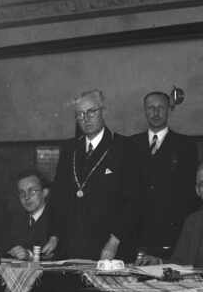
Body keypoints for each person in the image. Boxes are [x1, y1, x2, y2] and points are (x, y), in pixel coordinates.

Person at [52, 89, 142, 261]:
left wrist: (114, 242)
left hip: (109, 247)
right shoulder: (70, 149)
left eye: (91, 111)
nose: (86, 118)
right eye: (80, 114)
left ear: (103, 111)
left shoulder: (125, 147)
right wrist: (54, 235)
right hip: (71, 246)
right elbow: (58, 196)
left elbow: (133, 203)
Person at [129, 91, 199, 259]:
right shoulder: (130, 144)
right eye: (151, 108)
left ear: (169, 110)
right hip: (137, 232)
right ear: (145, 110)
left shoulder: (186, 145)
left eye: (161, 107)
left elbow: (190, 193)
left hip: (171, 233)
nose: (156, 112)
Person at [4, 169, 58, 261]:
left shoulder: (56, 219)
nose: (26, 197)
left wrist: (29, 255)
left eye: (32, 191)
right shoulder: (15, 220)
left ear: (45, 192)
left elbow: (55, 255)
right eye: (22, 192)